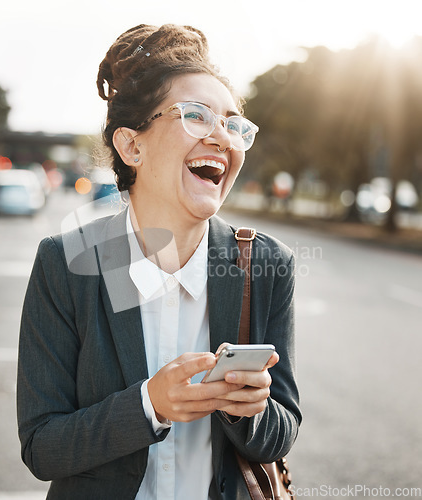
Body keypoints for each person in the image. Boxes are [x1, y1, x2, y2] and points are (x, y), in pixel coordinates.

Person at [17, 24, 301, 500]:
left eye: (233, 124)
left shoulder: (267, 265)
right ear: (132, 145)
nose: (221, 137)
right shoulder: (65, 264)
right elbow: (42, 447)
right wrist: (150, 404)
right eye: (196, 115)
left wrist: (244, 408)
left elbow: (282, 431)